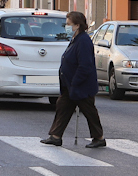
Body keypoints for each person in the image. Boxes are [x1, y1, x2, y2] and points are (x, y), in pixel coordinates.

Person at [42, 11, 106, 148]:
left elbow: (85, 65)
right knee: (62, 108)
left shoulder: (83, 41)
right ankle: (55, 136)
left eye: (69, 24)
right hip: (69, 85)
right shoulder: (76, 39)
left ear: (77, 25)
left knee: (89, 112)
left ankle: (99, 137)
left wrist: (75, 82)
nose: (66, 26)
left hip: (80, 85)